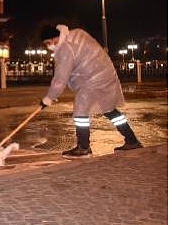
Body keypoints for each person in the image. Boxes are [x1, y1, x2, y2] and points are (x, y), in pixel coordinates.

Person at [39, 24, 143, 158]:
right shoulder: (76, 34)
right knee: (110, 109)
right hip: (104, 74)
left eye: (49, 43)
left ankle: (83, 148)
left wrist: (49, 98)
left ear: (55, 37)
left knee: (80, 110)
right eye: (46, 45)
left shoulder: (65, 47)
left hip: (92, 79)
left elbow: (61, 77)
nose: (49, 47)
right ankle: (132, 140)